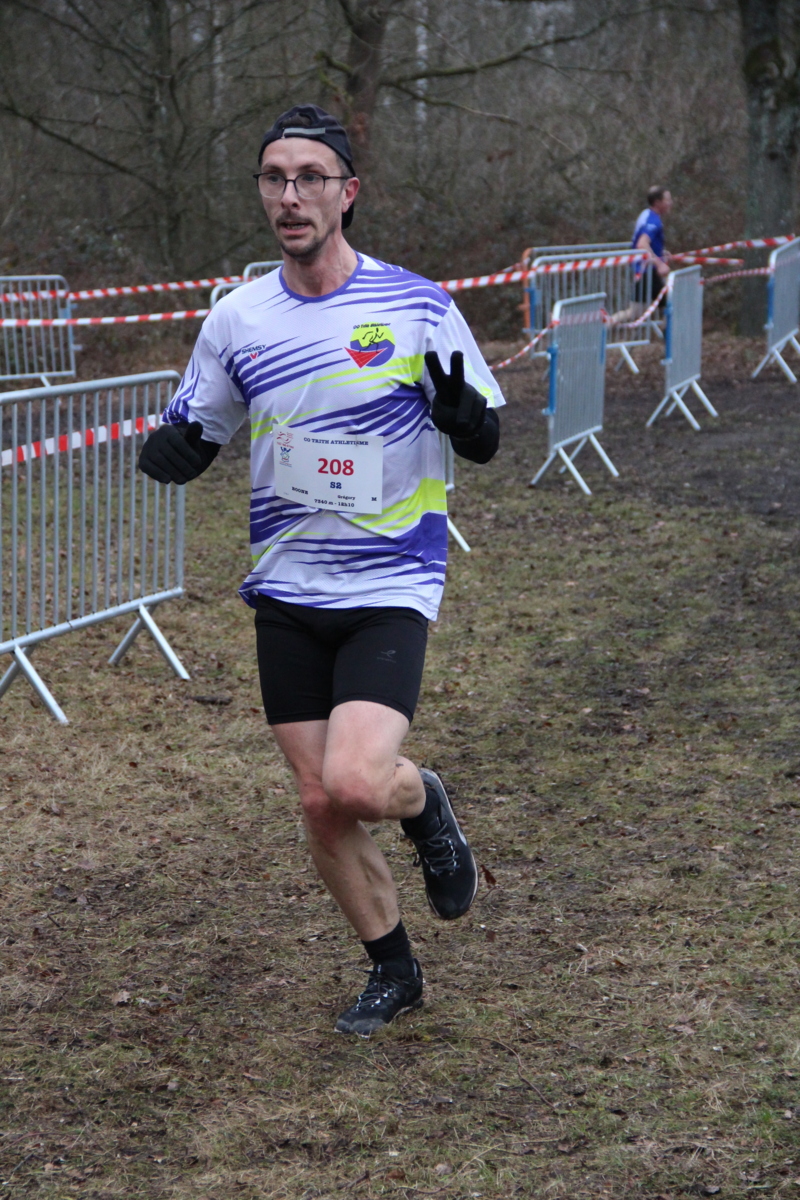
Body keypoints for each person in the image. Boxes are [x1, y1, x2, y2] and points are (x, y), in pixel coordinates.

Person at [137, 104, 504, 1037]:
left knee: (358, 783)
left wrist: (466, 421)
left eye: (310, 178)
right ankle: (394, 969)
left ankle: (424, 802)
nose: (290, 196)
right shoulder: (238, 317)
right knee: (319, 800)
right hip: (287, 587)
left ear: (348, 192)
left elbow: (486, 431)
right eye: (274, 178)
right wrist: (172, 453)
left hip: (388, 582)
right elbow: (198, 426)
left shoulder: (416, 306)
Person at [631, 185, 673, 307]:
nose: (670, 203)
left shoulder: (647, 214)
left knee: (663, 306)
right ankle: (605, 320)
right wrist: (660, 264)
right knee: (637, 311)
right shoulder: (653, 220)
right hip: (646, 270)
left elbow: (647, 242)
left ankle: (607, 319)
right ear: (657, 202)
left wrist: (660, 252)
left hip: (646, 269)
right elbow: (642, 244)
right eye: (667, 200)